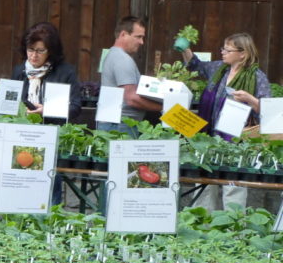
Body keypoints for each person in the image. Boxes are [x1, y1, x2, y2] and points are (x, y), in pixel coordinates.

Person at [179, 32, 271, 209]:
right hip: (208, 139)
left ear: (242, 53)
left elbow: (268, 112)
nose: (222, 52)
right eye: (223, 48)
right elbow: (195, 65)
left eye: (227, 49)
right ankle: (203, 227)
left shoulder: (257, 77)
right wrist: (185, 49)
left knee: (233, 188)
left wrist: (250, 99)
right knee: (204, 184)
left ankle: (232, 230)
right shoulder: (218, 69)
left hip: (236, 143)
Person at [97, 16, 161, 134]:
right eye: (138, 37)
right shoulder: (122, 59)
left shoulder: (114, 55)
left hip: (115, 123)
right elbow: (131, 99)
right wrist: (165, 107)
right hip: (121, 126)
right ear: (123, 34)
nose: (142, 42)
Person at [11, 22, 82, 122]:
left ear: (51, 51)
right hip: (24, 128)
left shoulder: (66, 72)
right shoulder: (19, 71)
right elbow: (10, 103)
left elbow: (75, 107)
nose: (34, 55)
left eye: (40, 51)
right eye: (30, 49)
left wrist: (47, 110)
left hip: (54, 129)